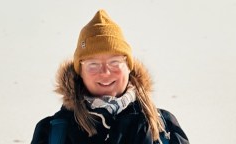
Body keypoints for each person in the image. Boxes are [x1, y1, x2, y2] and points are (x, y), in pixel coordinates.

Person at [31, 9, 189, 144]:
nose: (105, 72)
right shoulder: (53, 132)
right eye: (93, 64)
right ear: (80, 72)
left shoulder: (164, 127)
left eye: (114, 62)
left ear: (128, 66)